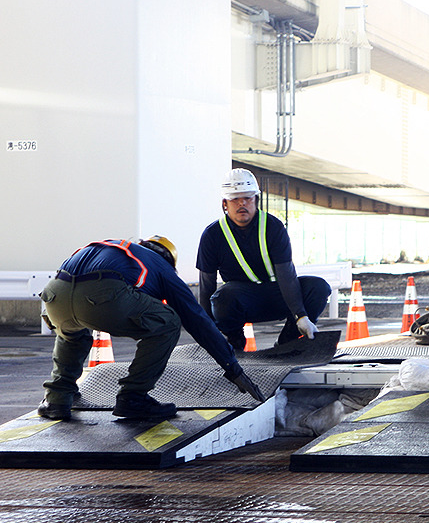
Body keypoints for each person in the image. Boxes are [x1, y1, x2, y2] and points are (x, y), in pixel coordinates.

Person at [37, 236, 265, 421]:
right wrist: (231, 367)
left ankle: (57, 397)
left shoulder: (112, 246)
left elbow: (74, 286)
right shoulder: (161, 267)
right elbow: (196, 319)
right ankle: (133, 396)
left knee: (72, 333)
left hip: (55, 296)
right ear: (169, 260)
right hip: (103, 297)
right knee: (169, 322)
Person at [197, 168, 331, 352]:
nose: (242, 203)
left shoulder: (273, 227)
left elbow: (287, 275)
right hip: (242, 300)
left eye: (247, 198)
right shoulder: (212, 235)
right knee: (222, 298)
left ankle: (288, 343)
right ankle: (234, 344)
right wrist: (207, 328)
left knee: (318, 287)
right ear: (225, 204)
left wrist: (301, 316)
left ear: (256, 200)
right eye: (235, 199)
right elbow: (206, 285)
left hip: (278, 294)